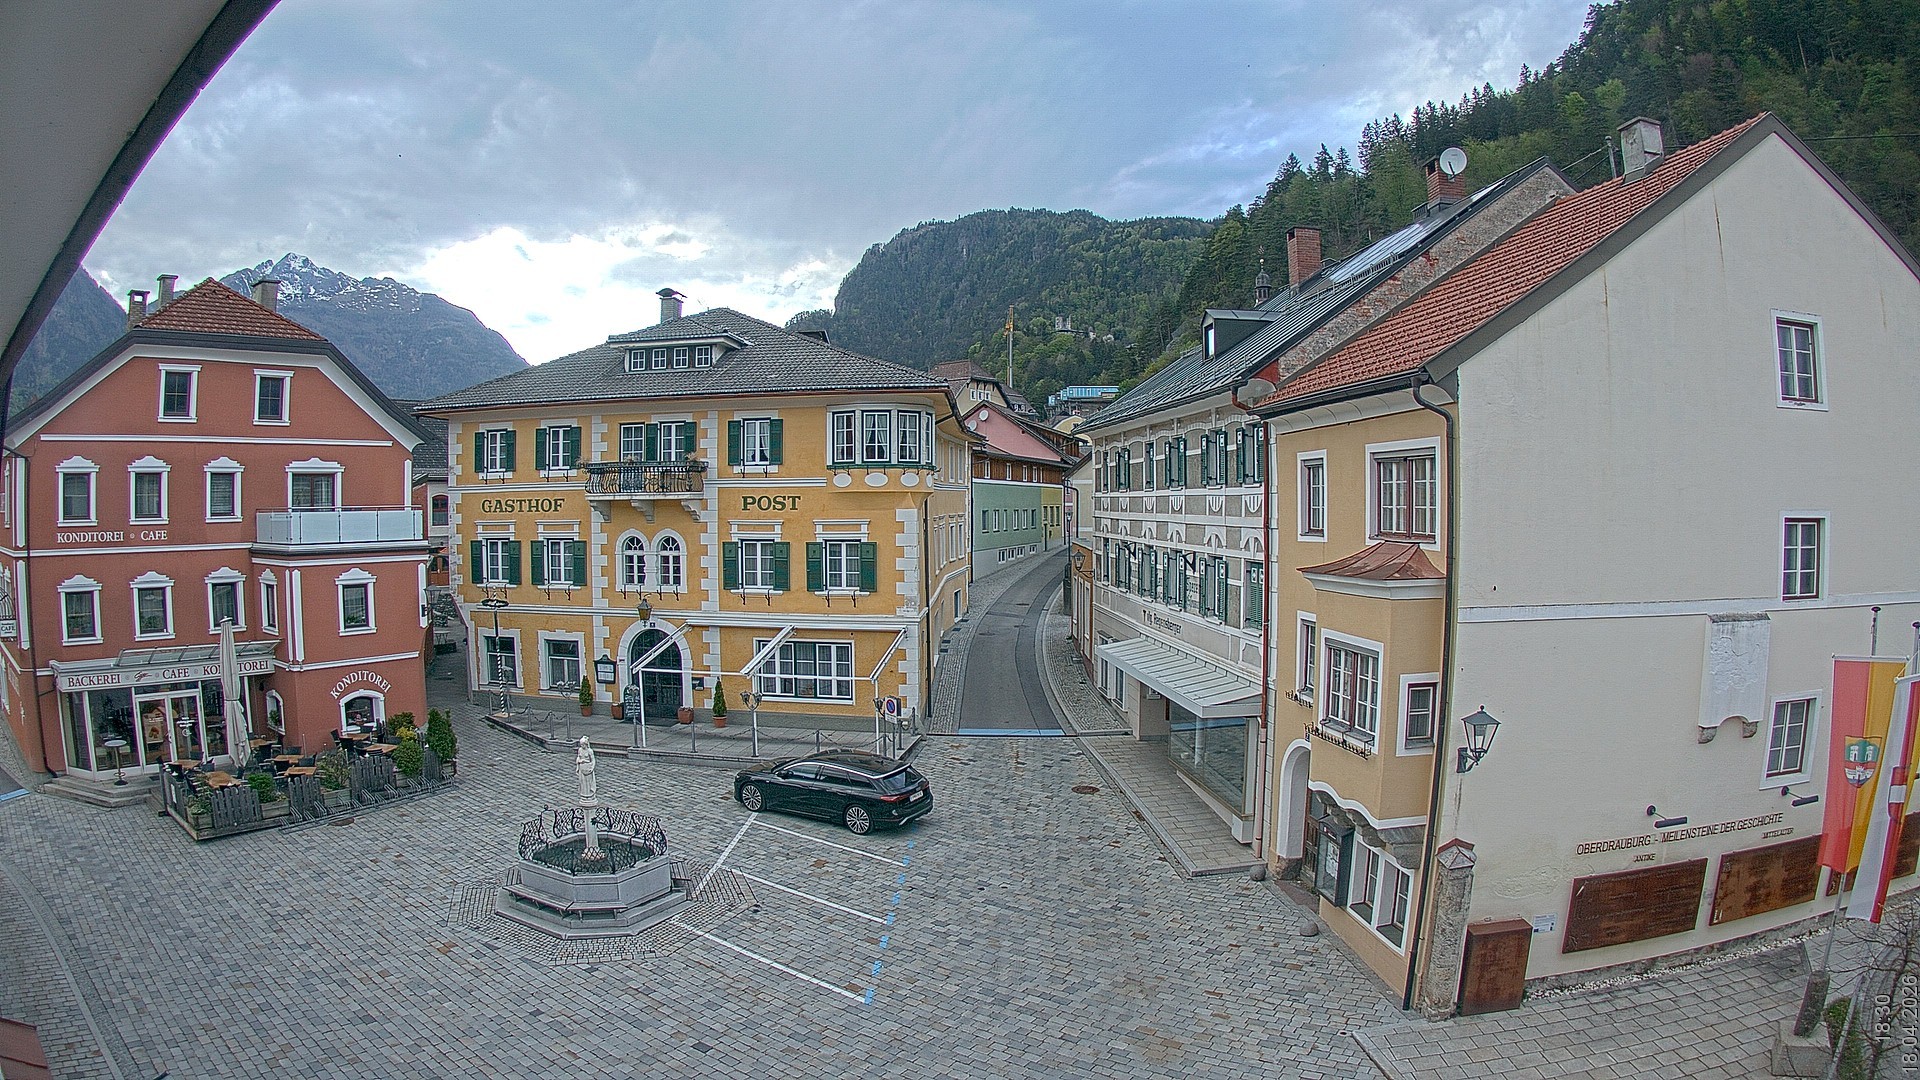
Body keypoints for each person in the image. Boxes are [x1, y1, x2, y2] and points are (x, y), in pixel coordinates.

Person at [574, 736, 597, 804]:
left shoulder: (590, 751)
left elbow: (593, 760)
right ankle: (584, 795)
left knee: (588, 782)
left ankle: (589, 795)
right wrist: (579, 761)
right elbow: (578, 757)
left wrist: (592, 767)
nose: (582, 746)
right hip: (582, 767)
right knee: (582, 782)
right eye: (581, 745)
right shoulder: (580, 750)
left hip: (588, 768)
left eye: (583, 744)